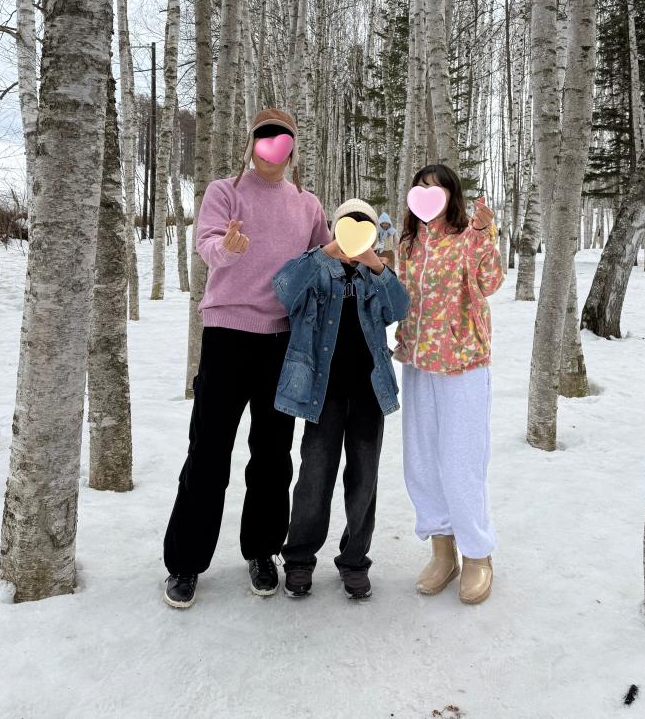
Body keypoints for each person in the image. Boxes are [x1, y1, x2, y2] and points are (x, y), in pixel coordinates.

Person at [163, 108, 331, 609]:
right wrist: (228, 249)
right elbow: (207, 242)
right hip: (227, 336)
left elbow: (324, 257)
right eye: (264, 136)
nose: (272, 145)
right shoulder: (225, 191)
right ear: (252, 142)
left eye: (282, 138)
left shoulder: (307, 204)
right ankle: (185, 561)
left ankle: (262, 551)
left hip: (282, 343)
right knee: (208, 452)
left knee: (273, 455)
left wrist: (364, 255)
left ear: (292, 148)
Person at [272, 200, 410, 600]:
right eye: (348, 226)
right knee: (314, 478)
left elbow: (399, 308)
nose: (355, 234)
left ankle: (354, 561)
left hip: (369, 393)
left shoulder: (374, 274)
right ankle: (299, 559)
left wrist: (376, 264)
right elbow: (283, 290)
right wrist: (328, 252)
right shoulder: (317, 269)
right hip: (324, 395)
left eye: (364, 226)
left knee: (364, 480)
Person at [394, 165, 504, 605]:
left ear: (451, 196)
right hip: (419, 363)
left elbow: (490, 283)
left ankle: (477, 553)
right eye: (421, 187)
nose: (427, 194)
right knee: (421, 462)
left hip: (462, 363)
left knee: (461, 461)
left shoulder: (468, 237)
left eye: (436, 188)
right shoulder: (408, 244)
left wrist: (485, 235)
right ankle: (443, 550)